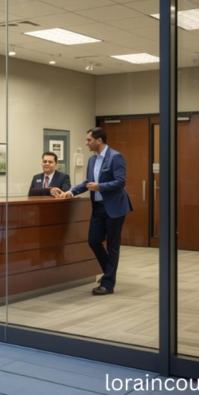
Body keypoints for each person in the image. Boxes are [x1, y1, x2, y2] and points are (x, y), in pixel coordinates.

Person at [52, 127, 132, 296]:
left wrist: (100, 187)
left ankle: (108, 284)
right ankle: (109, 274)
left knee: (112, 246)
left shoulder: (115, 157)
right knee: (93, 241)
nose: (86, 143)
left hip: (115, 208)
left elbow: (120, 181)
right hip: (98, 208)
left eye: (89, 140)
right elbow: (88, 182)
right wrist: (70, 192)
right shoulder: (92, 160)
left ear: (99, 140)